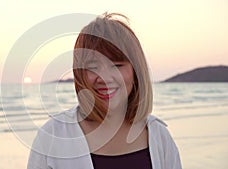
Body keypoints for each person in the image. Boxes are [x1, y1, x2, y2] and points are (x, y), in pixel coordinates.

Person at [27, 12, 182, 169]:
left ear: (136, 72)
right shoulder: (53, 137)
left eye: (117, 65)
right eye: (93, 67)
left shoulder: (158, 136)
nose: (105, 78)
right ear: (80, 73)